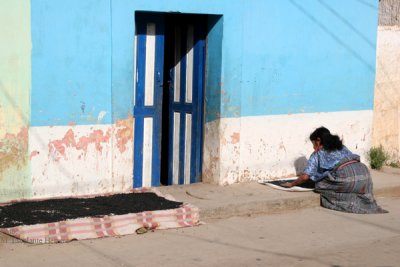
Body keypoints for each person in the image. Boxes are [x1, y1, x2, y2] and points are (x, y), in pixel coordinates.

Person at [281, 126, 387, 214]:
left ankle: (349, 201)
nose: (313, 147)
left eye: (313, 144)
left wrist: (292, 184)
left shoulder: (317, 154)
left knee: (319, 185)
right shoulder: (342, 147)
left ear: (318, 141)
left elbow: (305, 176)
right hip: (365, 175)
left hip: (345, 176)